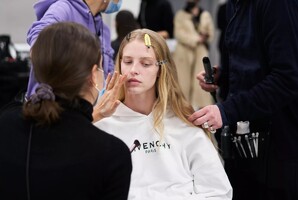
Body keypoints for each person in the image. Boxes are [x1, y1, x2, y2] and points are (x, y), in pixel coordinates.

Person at [94, 28, 232, 200]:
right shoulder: (102, 127)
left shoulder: (185, 125)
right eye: (128, 61)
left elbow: (218, 192)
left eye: (145, 63)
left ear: (161, 70)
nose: (133, 70)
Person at [0, 22, 132, 200]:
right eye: (102, 66)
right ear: (93, 74)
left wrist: (95, 115)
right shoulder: (112, 154)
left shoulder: (6, 124)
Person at [189, 0, 298, 199]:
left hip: (278, 145)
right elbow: (253, 65)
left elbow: (287, 79)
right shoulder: (236, 5)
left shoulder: (278, 5)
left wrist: (226, 111)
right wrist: (223, 77)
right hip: (244, 139)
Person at [26, 0, 122, 98]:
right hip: (52, 105)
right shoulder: (63, 9)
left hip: (87, 107)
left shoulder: (103, 29)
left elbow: (108, 73)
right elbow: (40, 39)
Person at [173, 0, 215, 109]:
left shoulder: (205, 15)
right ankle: (182, 108)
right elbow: (179, 34)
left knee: (200, 79)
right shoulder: (180, 15)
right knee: (183, 81)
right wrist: (196, 39)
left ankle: (202, 108)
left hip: (200, 52)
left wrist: (204, 36)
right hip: (184, 52)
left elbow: (211, 33)